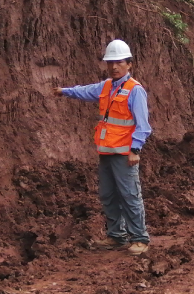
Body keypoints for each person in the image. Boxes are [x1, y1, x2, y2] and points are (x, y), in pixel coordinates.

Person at [53, 39, 152, 255]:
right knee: (108, 195)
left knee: (129, 195)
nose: (114, 67)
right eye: (110, 62)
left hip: (124, 154)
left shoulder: (135, 90)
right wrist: (65, 91)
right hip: (106, 151)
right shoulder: (106, 86)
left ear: (129, 64)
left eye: (119, 62)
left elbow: (143, 125)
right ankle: (116, 236)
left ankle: (140, 238)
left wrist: (135, 150)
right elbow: (85, 91)